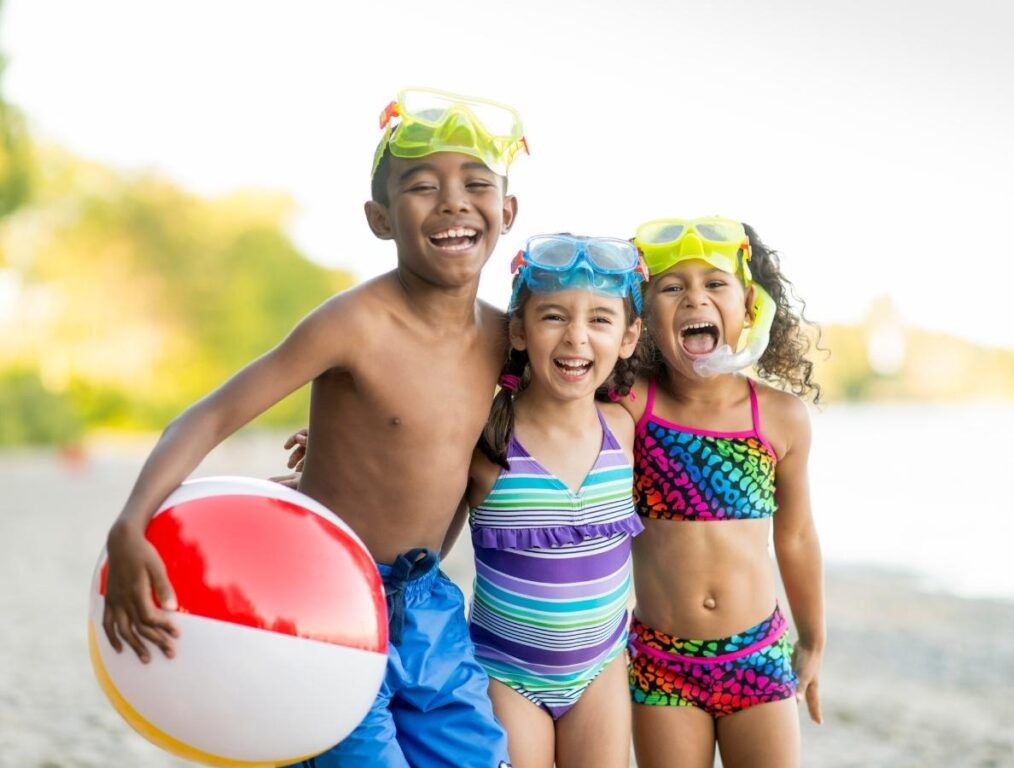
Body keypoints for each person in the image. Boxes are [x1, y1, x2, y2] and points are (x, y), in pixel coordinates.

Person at [100, 87, 529, 768]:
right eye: (422, 186)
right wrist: (130, 522)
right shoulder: (353, 325)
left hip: (427, 604)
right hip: (325, 598)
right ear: (380, 218)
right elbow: (212, 412)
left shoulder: (509, 339)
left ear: (506, 211)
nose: (452, 200)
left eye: (476, 184)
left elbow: (593, 380)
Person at [619, 217, 825, 768]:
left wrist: (814, 639)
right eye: (671, 286)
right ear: (640, 317)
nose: (694, 298)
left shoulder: (778, 417)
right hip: (662, 663)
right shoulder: (635, 407)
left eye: (714, 284)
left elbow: (798, 536)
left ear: (751, 307)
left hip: (757, 654)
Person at [466, 235, 645, 767]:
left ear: (629, 336)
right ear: (519, 330)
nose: (577, 338)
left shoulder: (624, 428)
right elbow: (413, 488)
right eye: (553, 317)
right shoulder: (487, 435)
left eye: (600, 320)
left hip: (601, 671)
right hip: (507, 672)